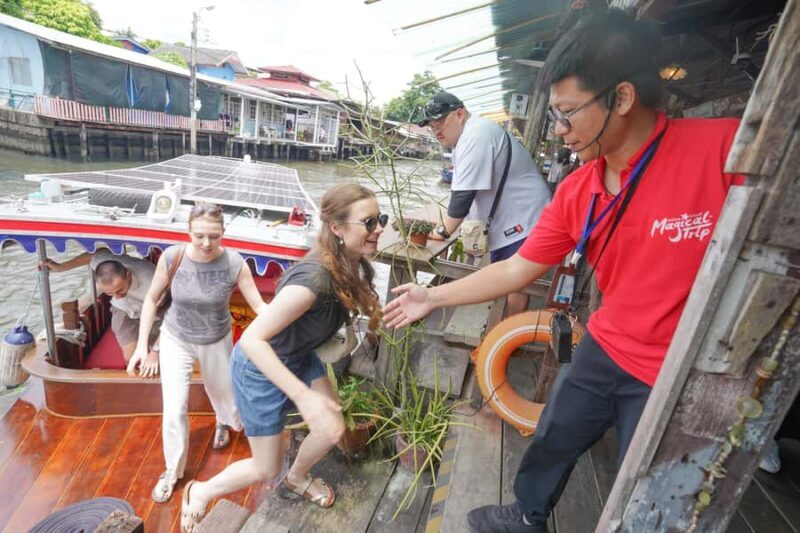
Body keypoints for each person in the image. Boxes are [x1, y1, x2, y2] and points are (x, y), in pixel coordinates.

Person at [384, 10, 744, 533]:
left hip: (685, 371)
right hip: (607, 344)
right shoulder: (579, 190)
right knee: (553, 432)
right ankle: (526, 514)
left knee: (646, 492)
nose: (559, 131)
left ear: (620, 98)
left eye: (568, 113)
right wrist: (432, 298)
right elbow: (518, 270)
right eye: (553, 115)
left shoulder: (723, 149)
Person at [178, 183, 384, 532]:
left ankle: (297, 478)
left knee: (333, 426)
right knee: (264, 468)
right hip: (260, 368)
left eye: (381, 220)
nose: (379, 229)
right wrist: (304, 397)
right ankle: (200, 491)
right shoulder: (312, 282)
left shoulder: (349, 263)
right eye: (369, 222)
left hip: (298, 355)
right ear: (336, 227)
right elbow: (252, 341)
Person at [128, 202, 269, 504]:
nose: (207, 243)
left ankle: (223, 422)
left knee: (225, 398)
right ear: (188, 232)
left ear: (223, 233)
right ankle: (172, 471)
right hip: (175, 337)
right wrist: (142, 346)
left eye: (214, 236)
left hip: (216, 339)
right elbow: (152, 300)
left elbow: (259, 307)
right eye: (199, 236)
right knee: (174, 406)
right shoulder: (172, 257)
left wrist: (291, 319)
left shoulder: (234, 263)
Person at [419, 91, 551, 316]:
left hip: (523, 217)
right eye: (431, 125)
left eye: (440, 121)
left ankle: (506, 335)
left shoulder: (475, 136)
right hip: (517, 215)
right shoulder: (472, 133)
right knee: (508, 277)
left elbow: (462, 199)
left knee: (514, 281)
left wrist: (440, 232)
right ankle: (504, 332)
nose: (436, 130)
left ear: (459, 114)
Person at [42, 249, 161, 371]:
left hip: (158, 312)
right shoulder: (102, 263)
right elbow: (95, 254)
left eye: (120, 290)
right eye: (109, 293)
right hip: (123, 308)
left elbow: (173, 317)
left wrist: (155, 351)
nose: (116, 296)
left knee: (157, 353)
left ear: (128, 275)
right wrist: (61, 267)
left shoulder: (153, 281)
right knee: (132, 359)